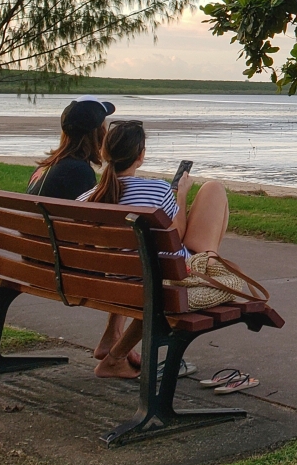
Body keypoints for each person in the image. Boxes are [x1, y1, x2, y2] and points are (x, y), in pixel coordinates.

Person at [77, 119, 229, 379]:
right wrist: (180, 194)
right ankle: (115, 358)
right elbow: (176, 235)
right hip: (160, 283)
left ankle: (111, 336)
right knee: (214, 190)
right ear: (141, 156)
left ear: (104, 154)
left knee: (132, 259)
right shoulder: (158, 190)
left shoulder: (85, 199)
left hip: (113, 282)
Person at [26, 98, 114, 199]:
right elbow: (87, 213)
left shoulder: (46, 165)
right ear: (98, 133)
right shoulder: (79, 171)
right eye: (104, 124)